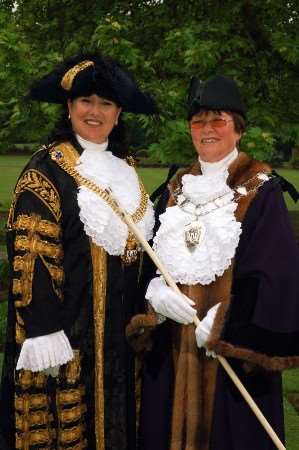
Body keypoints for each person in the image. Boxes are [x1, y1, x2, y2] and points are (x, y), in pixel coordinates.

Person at [126, 74, 299, 450]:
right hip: (170, 358)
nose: (206, 130)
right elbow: (151, 265)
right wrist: (154, 297)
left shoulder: (262, 191)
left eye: (217, 120)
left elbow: (276, 277)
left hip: (230, 365)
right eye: (197, 121)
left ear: (237, 129)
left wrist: (226, 323)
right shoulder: (174, 191)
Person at [0, 52, 157, 450]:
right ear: (69, 107)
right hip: (68, 336)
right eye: (86, 101)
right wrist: (44, 330)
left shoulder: (127, 171)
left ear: (118, 113)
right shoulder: (45, 171)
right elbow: (31, 253)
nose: (95, 111)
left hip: (121, 341)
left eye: (106, 103)